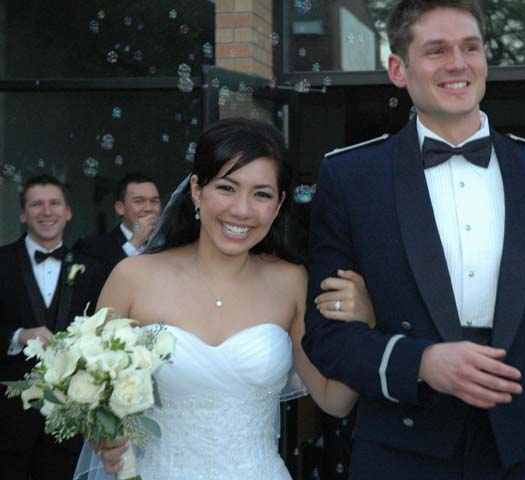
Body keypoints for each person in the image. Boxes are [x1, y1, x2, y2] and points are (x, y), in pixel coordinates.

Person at [302, 1, 525, 478]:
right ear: (398, 69)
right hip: (401, 455)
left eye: (470, 48)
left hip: (524, 455)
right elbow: (326, 337)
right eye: (436, 50)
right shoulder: (351, 176)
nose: (457, 64)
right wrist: (419, 362)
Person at [76, 118, 375, 479]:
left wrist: (365, 326)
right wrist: (103, 439)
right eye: (227, 188)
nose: (242, 210)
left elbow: (335, 401)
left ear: (279, 204)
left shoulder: (292, 281)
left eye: (261, 194)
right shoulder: (133, 277)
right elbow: (88, 395)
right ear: (197, 190)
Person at [0, 175, 103, 480]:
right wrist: (17, 336)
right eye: (37, 204)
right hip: (7, 424)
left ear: (68, 212)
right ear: (23, 214)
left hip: (69, 422)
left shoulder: (93, 269)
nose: (47, 211)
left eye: (54, 203)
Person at [73, 173, 161, 277]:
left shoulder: (167, 244)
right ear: (120, 208)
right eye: (139, 201)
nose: (148, 208)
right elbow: (95, 286)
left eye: (154, 201)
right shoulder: (91, 247)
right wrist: (134, 243)